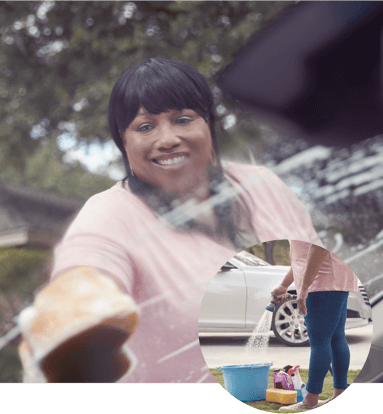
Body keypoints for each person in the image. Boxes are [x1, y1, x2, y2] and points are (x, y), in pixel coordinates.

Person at [18, 56, 323, 383]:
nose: (167, 139)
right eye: (145, 126)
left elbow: (326, 277)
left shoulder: (261, 185)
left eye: (183, 119)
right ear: (124, 139)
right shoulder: (109, 215)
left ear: (208, 123)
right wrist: (69, 317)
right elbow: (83, 275)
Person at [271, 240, 358, 410]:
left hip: (321, 281)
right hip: (332, 278)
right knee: (335, 338)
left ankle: (310, 401)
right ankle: (339, 393)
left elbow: (319, 246)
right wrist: (284, 285)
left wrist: (304, 288)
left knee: (320, 341)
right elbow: (302, 259)